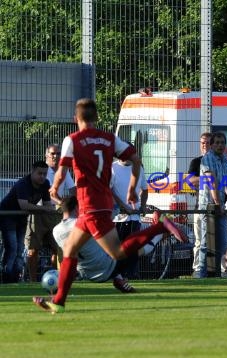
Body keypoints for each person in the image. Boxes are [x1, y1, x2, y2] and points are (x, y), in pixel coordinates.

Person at [33, 98, 188, 314]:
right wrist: (132, 188)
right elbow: (136, 159)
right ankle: (58, 302)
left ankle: (159, 227)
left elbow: (61, 170)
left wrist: (55, 187)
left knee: (116, 253)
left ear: (75, 119)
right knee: (70, 249)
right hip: (100, 204)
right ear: (96, 117)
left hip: (91, 205)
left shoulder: (73, 140)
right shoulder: (110, 139)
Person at [53, 196, 164, 292]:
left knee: (101, 249)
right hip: (106, 268)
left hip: (85, 272)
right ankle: (159, 231)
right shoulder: (82, 224)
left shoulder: (56, 231)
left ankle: (119, 279)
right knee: (133, 250)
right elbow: (108, 218)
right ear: (77, 208)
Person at [26, 144, 75, 281]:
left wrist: (71, 200)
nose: (56, 156)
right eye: (53, 153)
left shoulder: (63, 171)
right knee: (33, 249)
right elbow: (48, 192)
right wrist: (60, 201)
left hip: (56, 214)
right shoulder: (41, 171)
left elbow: (73, 190)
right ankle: (32, 281)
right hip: (38, 214)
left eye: (58, 153)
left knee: (57, 248)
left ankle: (57, 279)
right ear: (46, 155)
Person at [1, 161, 56, 283]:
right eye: (39, 173)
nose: (42, 176)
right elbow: (24, 205)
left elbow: (48, 204)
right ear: (32, 172)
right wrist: (44, 208)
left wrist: (49, 208)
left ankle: (15, 279)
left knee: (20, 249)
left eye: (44, 174)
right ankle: (6, 279)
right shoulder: (23, 184)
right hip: (7, 217)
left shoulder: (45, 184)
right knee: (12, 248)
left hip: (21, 219)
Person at [196, 132, 227, 278]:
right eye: (217, 142)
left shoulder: (225, 160)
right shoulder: (206, 158)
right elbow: (211, 181)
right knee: (205, 241)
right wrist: (217, 203)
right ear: (211, 144)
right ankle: (201, 273)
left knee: (223, 242)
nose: (220, 145)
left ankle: (215, 272)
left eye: (222, 142)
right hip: (208, 206)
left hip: (220, 205)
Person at [111, 155, 148, 278]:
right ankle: (117, 275)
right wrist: (122, 206)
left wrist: (143, 205)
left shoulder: (138, 168)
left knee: (133, 247)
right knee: (118, 248)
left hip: (135, 217)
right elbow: (109, 190)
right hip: (118, 217)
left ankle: (131, 274)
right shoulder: (112, 167)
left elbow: (145, 189)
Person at [188, 132, 211, 275]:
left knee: (217, 240)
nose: (205, 145)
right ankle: (197, 269)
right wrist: (210, 179)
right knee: (199, 240)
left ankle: (217, 268)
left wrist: (202, 180)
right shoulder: (196, 162)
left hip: (217, 206)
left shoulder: (220, 160)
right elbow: (190, 181)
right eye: (202, 143)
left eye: (208, 142)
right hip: (199, 206)